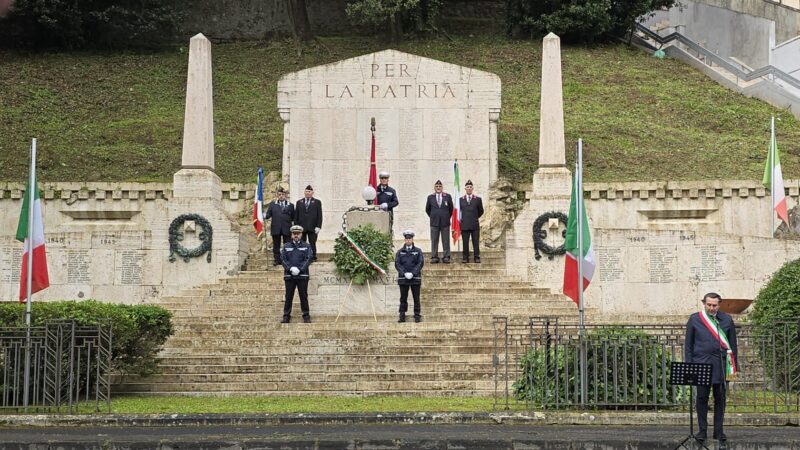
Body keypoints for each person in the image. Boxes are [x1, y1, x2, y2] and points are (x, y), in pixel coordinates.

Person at [684, 292, 738, 443]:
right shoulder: (695, 319)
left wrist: (733, 368)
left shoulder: (726, 320)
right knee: (701, 398)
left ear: (719, 305)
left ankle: (718, 431)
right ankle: (702, 430)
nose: (712, 308)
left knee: (720, 398)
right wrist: (689, 367)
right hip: (701, 364)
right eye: (709, 305)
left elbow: (733, 345)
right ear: (704, 304)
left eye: (715, 305)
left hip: (721, 365)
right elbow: (688, 345)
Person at [280, 225, 313, 323]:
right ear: (291, 235)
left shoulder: (307, 246)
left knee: (303, 296)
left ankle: (306, 316)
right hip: (289, 276)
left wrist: (300, 269)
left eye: (298, 234)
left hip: (302, 276)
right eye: (294, 234)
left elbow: (309, 258)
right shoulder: (286, 246)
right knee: (288, 296)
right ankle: (286, 316)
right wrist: (290, 269)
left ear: (301, 234)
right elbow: (282, 259)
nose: (296, 235)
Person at [395, 229, 424, 323]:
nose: (408, 240)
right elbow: (397, 264)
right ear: (405, 240)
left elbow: (420, 263)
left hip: (415, 278)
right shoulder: (400, 252)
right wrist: (404, 273)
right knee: (403, 298)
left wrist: (413, 273)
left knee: (416, 298)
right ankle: (402, 315)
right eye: (406, 239)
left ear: (412, 239)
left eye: (410, 238)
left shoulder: (418, 251)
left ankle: (417, 315)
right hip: (403, 279)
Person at [263, 187, 295, 266]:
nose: (281, 196)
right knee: (276, 245)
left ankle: (287, 260)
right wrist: (263, 214)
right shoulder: (273, 204)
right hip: (276, 228)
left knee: (287, 245)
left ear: (285, 195)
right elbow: (268, 215)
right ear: (277, 195)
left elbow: (294, 217)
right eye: (279, 194)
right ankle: (277, 260)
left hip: (287, 228)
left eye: (283, 194)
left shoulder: (290, 205)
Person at [424, 180, 453, 263]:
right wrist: (433, 216)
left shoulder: (447, 196)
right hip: (434, 222)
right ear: (434, 188)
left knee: (446, 240)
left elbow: (451, 209)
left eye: (440, 186)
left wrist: (446, 217)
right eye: (436, 186)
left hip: (445, 222)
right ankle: (434, 256)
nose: (438, 188)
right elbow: (427, 209)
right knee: (434, 240)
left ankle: (446, 256)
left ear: (442, 187)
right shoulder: (430, 197)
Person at [294, 185, 323, 261]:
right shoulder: (299, 202)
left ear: (312, 193)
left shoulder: (317, 202)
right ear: (304, 192)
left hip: (312, 227)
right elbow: (296, 215)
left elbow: (319, 215)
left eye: (309, 191)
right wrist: (296, 227)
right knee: (302, 243)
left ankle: (313, 256)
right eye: (306, 191)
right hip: (301, 227)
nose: (307, 193)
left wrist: (318, 226)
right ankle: (302, 257)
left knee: (312, 242)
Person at [459, 180, 484, 264]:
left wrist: (474, 218)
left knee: (475, 242)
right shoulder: (460, 200)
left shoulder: (477, 199)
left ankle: (477, 257)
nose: (469, 188)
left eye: (470, 187)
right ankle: (465, 257)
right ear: (465, 189)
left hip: (474, 224)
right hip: (464, 224)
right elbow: (459, 212)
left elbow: (481, 211)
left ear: (472, 188)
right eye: (467, 187)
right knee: (465, 242)